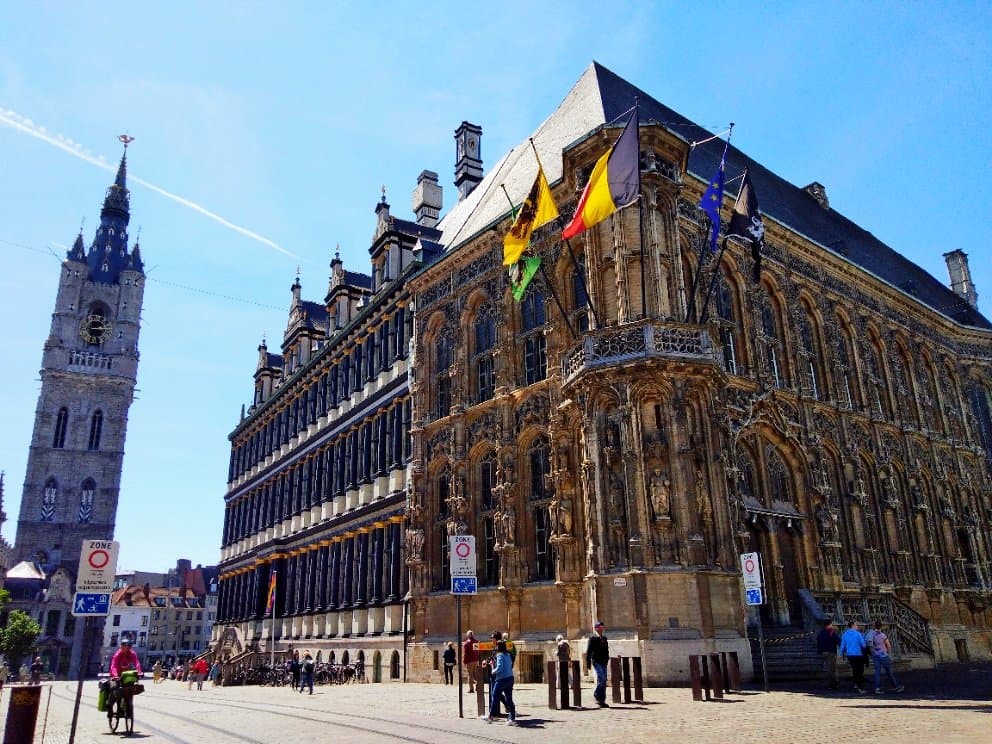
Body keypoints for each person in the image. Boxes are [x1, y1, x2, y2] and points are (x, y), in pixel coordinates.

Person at [481, 640, 517, 726]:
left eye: (496, 646)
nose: (496, 648)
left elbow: (500, 667)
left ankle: (491, 717)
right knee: (509, 699)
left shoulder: (499, 655)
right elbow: (509, 664)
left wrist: (493, 670)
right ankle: (512, 718)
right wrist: (493, 665)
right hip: (510, 678)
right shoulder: (508, 654)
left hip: (501, 679)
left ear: (498, 647)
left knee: (495, 696)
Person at [868, 622, 904, 694]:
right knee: (889, 672)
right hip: (884, 655)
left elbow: (870, 645)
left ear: (874, 627)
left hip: (876, 656)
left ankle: (877, 688)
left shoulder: (871, 635)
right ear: (881, 627)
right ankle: (896, 686)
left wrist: (873, 653)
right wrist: (888, 652)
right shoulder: (882, 635)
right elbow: (888, 644)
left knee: (877, 672)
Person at [838, 620, 868, 694]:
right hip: (858, 655)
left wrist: (840, 655)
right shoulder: (858, 634)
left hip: (850, 655)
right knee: (860, 671)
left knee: (854, 670)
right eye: (856, 625)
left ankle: (855, 684)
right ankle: (860, 688)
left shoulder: (845, 634)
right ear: (853, 626)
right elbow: (863, 645)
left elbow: (842, 646)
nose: (857, 626)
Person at [585, 621, 610, 707]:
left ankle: (601, 700)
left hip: (603, 661)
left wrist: (607, 659)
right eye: (599, 627)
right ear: (596, 628)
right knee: (601, 678)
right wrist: (588, 662)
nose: (601, 629)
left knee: (603, 680)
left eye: (602, 627)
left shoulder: (604, 638)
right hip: (596, 661)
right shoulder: (593, 638)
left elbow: (607, 650)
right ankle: (597, 694)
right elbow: (589, 650)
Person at [815, 619, 841, 689]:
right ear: (830, 624)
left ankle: (831, 683)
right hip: (830, 652)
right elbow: (838, 641)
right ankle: (833, 684)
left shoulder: (821, 633)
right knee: (833, 669)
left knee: (828, 668)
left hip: (823, 652)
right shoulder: (831, 632)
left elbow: (818, 642)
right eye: (832, 624)